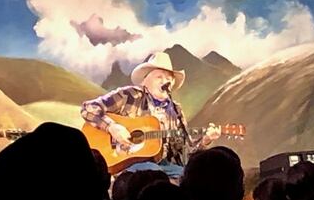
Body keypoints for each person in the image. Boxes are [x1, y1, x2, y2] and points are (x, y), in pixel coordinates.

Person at [81, 52, 220, 179]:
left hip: (163, 165)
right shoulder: (130, 95)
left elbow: (185, 154)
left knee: (193, 177)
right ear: (144, 81)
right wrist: (112, 127)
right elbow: (88, 108)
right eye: (159, 77)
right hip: (128, 165)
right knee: (154, 173)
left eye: (169, 78)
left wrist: (205, 141)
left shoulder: (176, 111)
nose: (165, 81)